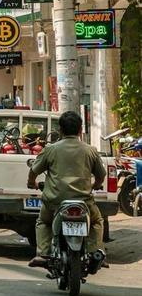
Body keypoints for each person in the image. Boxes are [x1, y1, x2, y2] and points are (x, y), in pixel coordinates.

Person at [27, 111, 107, 269]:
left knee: (43, 222)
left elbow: (34, 171)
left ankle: (43, 254)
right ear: (80, 130)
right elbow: (101, 175)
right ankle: (96, 252)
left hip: (55, 202)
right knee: (97, 222)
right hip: (84, 202)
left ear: (60, 131)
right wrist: (95, 185)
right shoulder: (90, 150)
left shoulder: (51, 149)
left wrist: (31, 183)